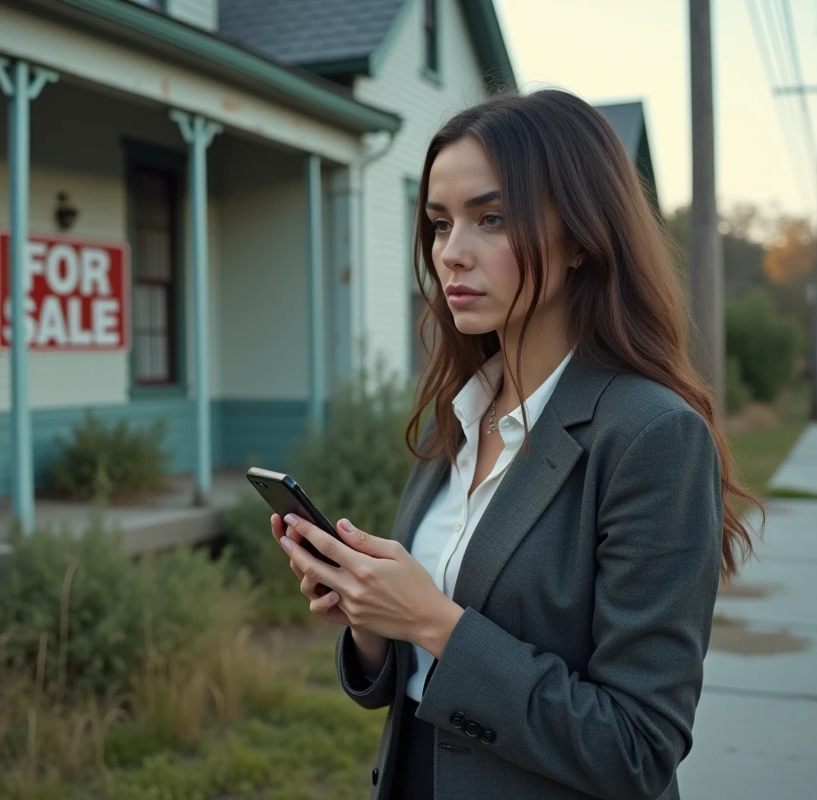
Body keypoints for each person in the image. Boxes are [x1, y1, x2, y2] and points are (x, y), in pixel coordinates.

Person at [269, 89, 760, 800]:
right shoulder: (460, 416)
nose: (451, 254)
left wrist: (435, 622)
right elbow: (414, 687)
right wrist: (374, 619)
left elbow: (639, 746)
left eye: (490, 219)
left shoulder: (651, 435)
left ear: (582, 238)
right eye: (440, 224)